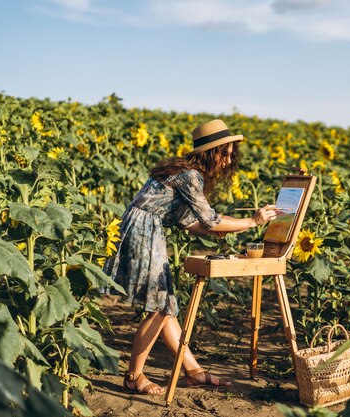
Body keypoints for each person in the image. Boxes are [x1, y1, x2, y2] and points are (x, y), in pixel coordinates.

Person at [104, 119, 277, 394]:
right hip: (145, 232)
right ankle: (134, 376)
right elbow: (210, 220)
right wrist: (253, 221)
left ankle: (194, 372)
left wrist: (216, 230)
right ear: (212, 152)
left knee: (166, 306)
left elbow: (190, 223)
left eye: (231, 153)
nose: (228, 159)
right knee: (159, 307)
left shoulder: (183, 172)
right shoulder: (190, 176)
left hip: (144, 228)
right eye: (225, 152)